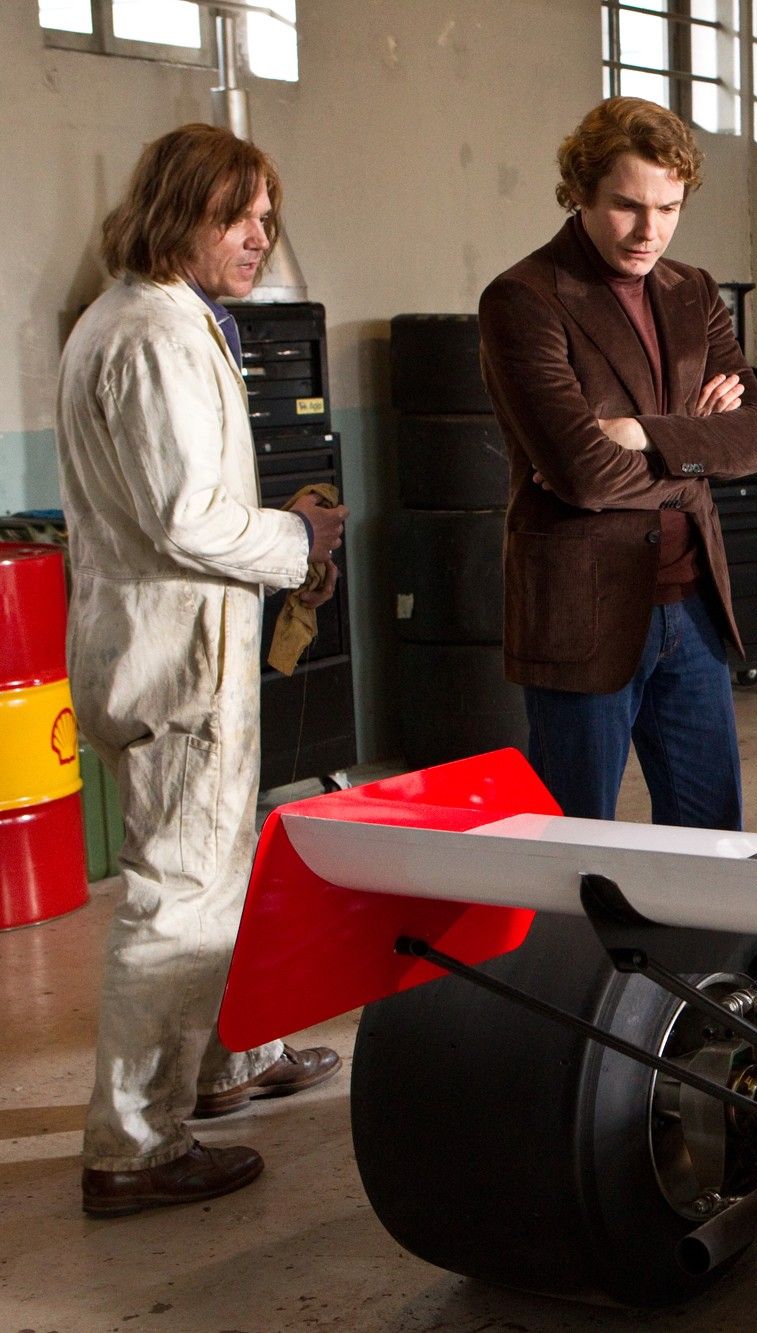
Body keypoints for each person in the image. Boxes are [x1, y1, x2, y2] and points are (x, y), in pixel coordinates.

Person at [57, 124, 346, 1218]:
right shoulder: (149, 335)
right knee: (177, 896)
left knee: (213, 875)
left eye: (267, 219)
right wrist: (297, 541)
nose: (258, 238)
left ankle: (227, 1061)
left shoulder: (154, 321)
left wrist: (283, 540)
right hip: (177, 657)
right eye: (239, 217)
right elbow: (186, 518)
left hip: (179, 642)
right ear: (183, 210)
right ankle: (130, 1146)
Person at [480, 97, 757, 829]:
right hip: (584, 609)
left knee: (714, 841)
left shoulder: (694, 291)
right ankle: (581, 953)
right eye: (627, 206)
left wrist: (644, 433)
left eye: (669, 208)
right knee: (574, 847)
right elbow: (582, 472)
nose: (650, 231)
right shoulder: (523, 299)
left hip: (692, 608)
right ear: (579, 192)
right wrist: (698, 443)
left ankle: (707, 952)